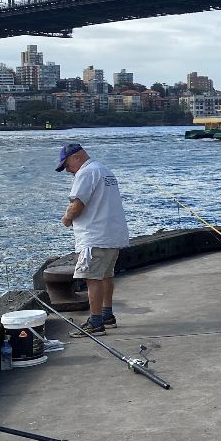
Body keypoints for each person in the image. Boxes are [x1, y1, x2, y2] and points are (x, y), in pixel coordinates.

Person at [56, 142, 130, 336]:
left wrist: (66, 218)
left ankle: (95, 322)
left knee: (92, 278)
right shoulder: (104, 170)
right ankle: (107, 315)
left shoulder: (86, 172)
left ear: (77, 157)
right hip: (113, 234)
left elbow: (77, 204)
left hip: (95, 236)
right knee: (106, 275)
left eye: (67, 165)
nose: (67, 171)